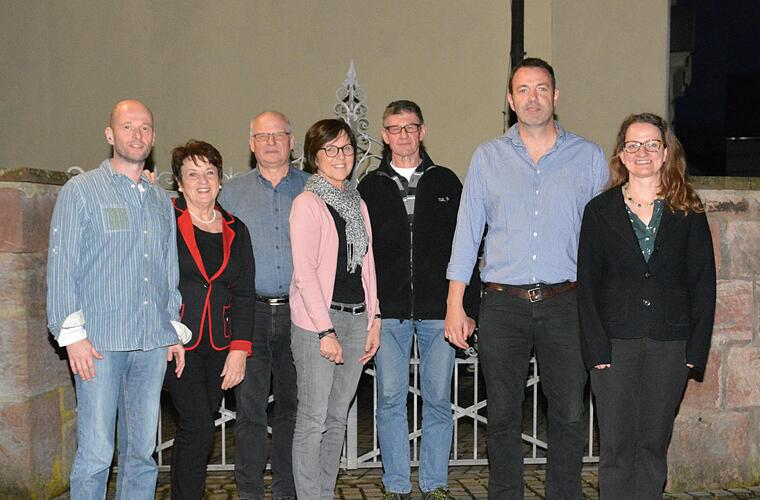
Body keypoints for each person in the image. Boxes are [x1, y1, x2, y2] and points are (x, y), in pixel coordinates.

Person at [445, 58, 609, 499]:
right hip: (503, 305)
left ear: (556, 96)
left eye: (541, 88)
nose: (532, 97)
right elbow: (467, 233)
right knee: (501, 416)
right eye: (523, 89)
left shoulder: (589, 157)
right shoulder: (487, 157)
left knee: (569, 415)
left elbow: (603, 239)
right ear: (510, 99)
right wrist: (455, 304)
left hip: (566, 303)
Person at [46, 99, 186, 499]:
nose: (137, 135)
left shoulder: (159, 200)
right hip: (99, 345)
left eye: (145, 128)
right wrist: (72, 335)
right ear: (110, 134)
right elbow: (62, 265)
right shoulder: (81, 191)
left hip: (151, 343)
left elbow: (167, 270)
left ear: (153, 137)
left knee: (141, 454)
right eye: (127, 127)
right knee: (96, 454)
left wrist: (171, 330)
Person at [577, 113, 716, 499]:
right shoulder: (599, 211)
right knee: (617, 449)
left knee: (653, 446)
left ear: (666, 152)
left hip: (670, 345)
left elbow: (703, 284)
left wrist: (695, 352)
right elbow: (587, 285)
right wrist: (595, 350)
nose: (643, 152)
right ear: (621, 154)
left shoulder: (688, 209)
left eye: (652, 144)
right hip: (614, 346)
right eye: (633, 145)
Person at [358, 100, 480, 500]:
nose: (403, 135)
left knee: (439, 399)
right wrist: (367, 309)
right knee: (390, 399)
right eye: (395, 128)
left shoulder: (445, 182)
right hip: (388, 314)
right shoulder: (370, 187)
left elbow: (467, 246)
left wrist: (467, 307)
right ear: (385, 135)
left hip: (438, 312)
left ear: (422, 131)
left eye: (410, 127)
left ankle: (435, 484)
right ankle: (396, 485)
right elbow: (358, 254)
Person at [289, 119, 381, 499]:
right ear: (315, 156)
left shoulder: (357, 203)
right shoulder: (307, 203)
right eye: (330, 149)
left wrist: (375, 317)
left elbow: (367, 265)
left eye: (346, 148)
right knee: (313, 419)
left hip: (357, 319)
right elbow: (305, 274)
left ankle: (324, 492)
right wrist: (325, 330)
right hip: (318, 323)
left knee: (337, 416)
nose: (340, 156)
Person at [219, 111, 309, 500]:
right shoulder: (230, 193)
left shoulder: (313, 188)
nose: (271, 142)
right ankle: (250, 492)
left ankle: (287, 492)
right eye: (262, 136)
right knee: (249, 412)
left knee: (293, 409)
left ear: (292, 141)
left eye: (278, 134)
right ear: (251, 143)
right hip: (249, 315)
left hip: (300, 313)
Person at [164, 140, 255, 499]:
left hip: (219, 345)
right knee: (198, 424)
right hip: (176, 344)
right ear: (179, 182)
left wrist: (239, 349)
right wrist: (163, 330)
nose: (202, 181)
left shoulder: (237, 228)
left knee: (196, 428)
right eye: (192, 174)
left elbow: (244, 293)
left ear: (220, 180)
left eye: (209, 172)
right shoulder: (164, 221)